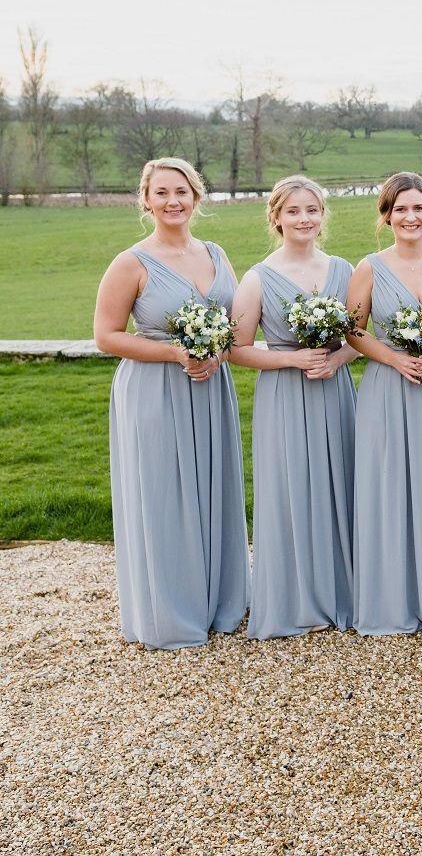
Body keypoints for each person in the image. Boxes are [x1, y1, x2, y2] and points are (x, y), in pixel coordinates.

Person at [93, 156, 248, 649]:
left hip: (209, 388)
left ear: (196, 197)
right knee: (164, 495)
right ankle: (169, 611)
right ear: (145, 200)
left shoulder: (218, 254)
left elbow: (236, 326)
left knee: (212, 487)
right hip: (155, 391)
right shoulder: (131, 262)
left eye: (180, 191)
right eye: (160, 193)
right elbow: (105, 336)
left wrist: (218, 352)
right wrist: (173, 351)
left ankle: (220, 601)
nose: (172, 201)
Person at [230, 175, 360, 638]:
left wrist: (337, 358)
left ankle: (344, 587)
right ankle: (296, 595)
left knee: (341, 482)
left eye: (312, 210)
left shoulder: (345, 270)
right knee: (291, 487)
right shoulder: (258, 277)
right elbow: (237, 349)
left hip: (335, 391)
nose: (304, 219)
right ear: (277, 218)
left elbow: (360, 340)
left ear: (322, 215)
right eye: (293, 211)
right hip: (284, 396)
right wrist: (291, 359)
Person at [345, 172, 422, 635]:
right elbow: (353, 333)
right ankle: (391, 591)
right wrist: (395, 358)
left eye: (418, 208)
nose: (410, 217)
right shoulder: (370, 267)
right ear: (386, 216)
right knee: (389, 480)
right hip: (387, 386)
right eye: (400, 209)